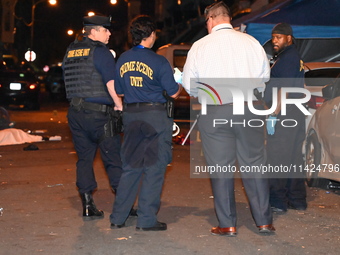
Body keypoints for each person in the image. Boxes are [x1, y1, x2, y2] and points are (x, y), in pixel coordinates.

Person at [182, 1, 274, 236]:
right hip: (249, 108)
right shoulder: (252, 42)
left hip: (216, 110)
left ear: (210, 20)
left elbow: (190, 85)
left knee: (221, 168)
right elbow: (265, 77)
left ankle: (228, 224)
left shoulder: (201, 46)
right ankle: (264, 222)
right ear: (228, 19)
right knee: (254, 164)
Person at [109, 15, 182, 231]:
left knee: (130, 167)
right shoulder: (159, 61)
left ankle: (118, 218)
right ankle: (146, 220)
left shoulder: (122, 59)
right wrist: (177, 80)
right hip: (155, 117)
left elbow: (119, 90)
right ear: (150, 35)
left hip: (131, 116)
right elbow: (175, 93)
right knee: (154, 167)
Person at [62, 15, 123, 220]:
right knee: (113, 159)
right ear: (94, 31)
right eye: (106, 30)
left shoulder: (70, 51)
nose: (109, 33)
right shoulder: (101, 52)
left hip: (76, 114)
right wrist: (119, 105)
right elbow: (110, 83)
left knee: (84, 159)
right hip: (100, 115)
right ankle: (123, 206)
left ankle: (88, 205)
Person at [264, 23, 307, 213]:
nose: (274, 41)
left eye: (278, 37)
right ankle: (297, 199)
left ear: (288, 38)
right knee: (293, 158)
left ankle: (277, 201)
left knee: (277, 158)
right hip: (294, 112)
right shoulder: (289, 57)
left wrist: (274, 113)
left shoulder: (288, 58)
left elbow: (285, 88)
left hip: (285, 113)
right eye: (273, 37)